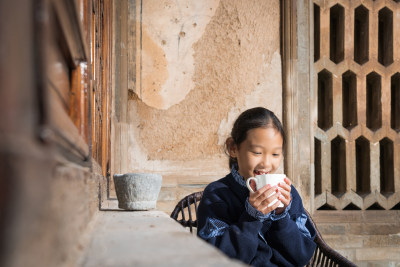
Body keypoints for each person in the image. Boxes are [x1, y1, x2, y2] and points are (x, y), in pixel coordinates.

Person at [197, 107, 316, 266]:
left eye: (275, 154)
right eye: (257, 152)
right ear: (233, 148)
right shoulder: (217, 194)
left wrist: (281, 216)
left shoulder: (288, 194)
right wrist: (252, 217)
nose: (266, 164)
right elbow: (215, 257)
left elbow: (302, 256)